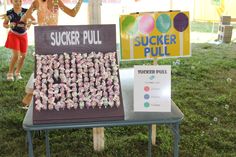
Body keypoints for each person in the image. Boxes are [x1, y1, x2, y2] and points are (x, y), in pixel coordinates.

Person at [3, 0, 36, 81]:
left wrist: (30, 23)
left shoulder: (26, 11)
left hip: (23, 35)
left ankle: (17, 72)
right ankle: (10, 73)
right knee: (16, 55)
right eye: (16, 1)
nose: (18, 3)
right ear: (11, 2)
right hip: (14, 35)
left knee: (23, 56)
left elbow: (34, 21)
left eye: (20, 1)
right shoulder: (10, 12)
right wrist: (9, 25)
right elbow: (4, 24)